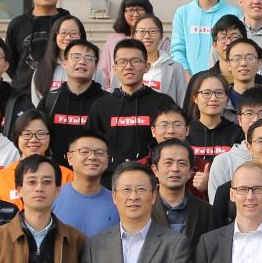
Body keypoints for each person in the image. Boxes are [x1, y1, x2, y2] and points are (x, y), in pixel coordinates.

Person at [91, 39, 175, 165]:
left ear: (147, 66)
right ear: (114, 68)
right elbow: (91, 143)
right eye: (122, 62)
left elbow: (172, 142)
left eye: (135, 61)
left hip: (150, 173)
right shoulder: (101, 105)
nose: (128, 67)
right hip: (111, 174)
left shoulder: (163, 102)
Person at [169, 0, 242, 75]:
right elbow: (177, 50)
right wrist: (188, 79)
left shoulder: (233, 13)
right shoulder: (182, 13)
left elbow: (238, 49)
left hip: (223, 80)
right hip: (189, 80)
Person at [39, 39, 105, 167]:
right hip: (55, 173)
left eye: (89, 58)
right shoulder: (50, 100)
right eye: (76, 56)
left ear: (96, 66)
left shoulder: (106, 102)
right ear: (64, 63)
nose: (82, 61)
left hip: (93, 173)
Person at [5, 0, 70, 90]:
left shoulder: (69, 23)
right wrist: (22, 79)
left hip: (60, 90)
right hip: (24, 92)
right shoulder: (17, 24)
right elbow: (9, 60)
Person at [0, 113, 73, 207]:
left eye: (41, 134)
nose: (33, 140)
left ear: (50, 137)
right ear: (17, 137)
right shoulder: (2, 177)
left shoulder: (67, 176)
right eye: (27, 134)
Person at [183, 73, 243, 199]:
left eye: (219, 93)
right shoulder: (184, 132)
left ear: (226, 98)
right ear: (195, 98)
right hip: (189, 203)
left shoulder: (237, 132)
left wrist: (211, 184)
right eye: (206, 93)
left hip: (227, 202)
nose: (213, 98)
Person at [51, 131, 118, 239]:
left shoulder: (118, 202)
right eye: (84, 151)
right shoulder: (52, 197)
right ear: (70, 158)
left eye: (99, 152)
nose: (92, 157)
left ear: (107, 160)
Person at [129, 14, 189, 106]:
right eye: (141, 31)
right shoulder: (123, 66)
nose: (147, 36)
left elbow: (182, 103)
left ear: (161, 35)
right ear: (134, 35)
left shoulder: (175, 68)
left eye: (152, 31)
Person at [28, 14, 87, 105]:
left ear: (81, 36)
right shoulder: (42, 70)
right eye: (63, 33)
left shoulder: (91, 67)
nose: (68, 37)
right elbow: (37, 104)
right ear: (55, 36)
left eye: (73, 33)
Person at [99, 0, 155, 83]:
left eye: (140, 9)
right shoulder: (112, 40)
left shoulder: (158, 39)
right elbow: (104, 71)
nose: (135, 14)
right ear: (123, 13)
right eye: (131, 10)